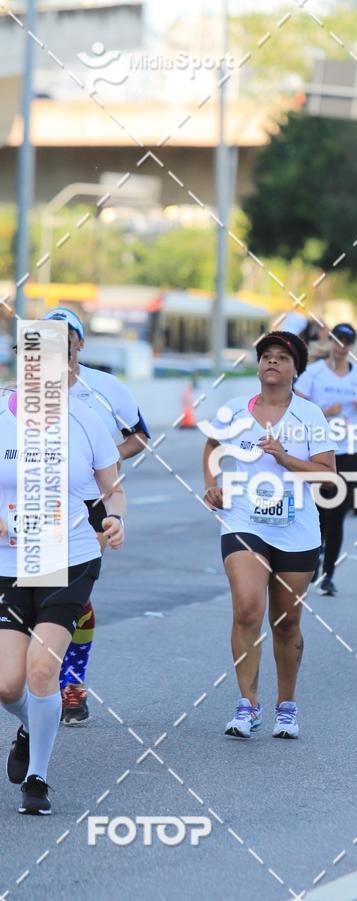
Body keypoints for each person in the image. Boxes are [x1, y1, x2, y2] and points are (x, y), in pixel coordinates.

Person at [203, 331, 336, 740]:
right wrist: (213, 482)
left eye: (282, 357)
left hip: (296, 528)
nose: (272, 363)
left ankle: (286, 707)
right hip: (245, 520)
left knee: (286, 621)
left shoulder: (309, 415)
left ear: (296, 369)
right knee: (246, 607)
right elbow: (211, 443)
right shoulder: (234, 410)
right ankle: (247, 705)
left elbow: (327, 475)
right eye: (266, 357)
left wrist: (284, 457)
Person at [0, 380, 125, 814]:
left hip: (69, 558)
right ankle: (33, 727)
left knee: (41, 669)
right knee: (6, 684)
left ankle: (37, 779)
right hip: (8, 564)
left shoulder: (84, 420)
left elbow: (112, 492)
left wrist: (116, 521)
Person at [42, 308, 149, 725]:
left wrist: (104, 458)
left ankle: (71, 681)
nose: (58, 340)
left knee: (75, 596)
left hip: (90, 503)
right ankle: (37, 677)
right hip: (37, 502)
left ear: (80, 342)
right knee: (35, 593)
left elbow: (139, 435)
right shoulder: (22, 392)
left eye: (66, 333)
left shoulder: (105, 387)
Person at [295, 323, 357, 596]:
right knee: (318, 510)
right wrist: (323, 411)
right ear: (329, 342)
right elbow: (296, 405)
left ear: (352, 345)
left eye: (347, 341)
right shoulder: (315, 373)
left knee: (338, 513)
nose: (341, 346)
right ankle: (314, 559)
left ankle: (329, 574)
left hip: (351, 450)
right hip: (319, 450)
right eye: (337, 340)